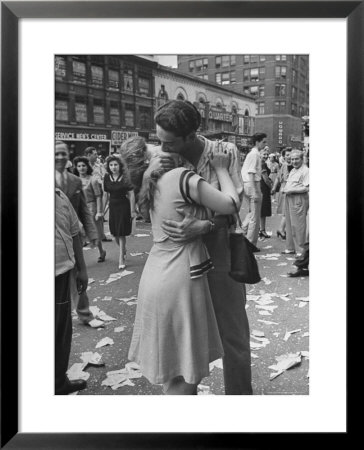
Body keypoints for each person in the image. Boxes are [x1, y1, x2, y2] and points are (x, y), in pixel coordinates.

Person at [135, 100, 252, 395]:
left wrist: (206, 226)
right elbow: (145, 207)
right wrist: (148, 174)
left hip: (219, 254)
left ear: (191, 134)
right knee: (184, 341)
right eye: (159, 140)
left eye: (169, 142)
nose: (163, 147)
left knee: (233, 336)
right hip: (180, 265)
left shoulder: (223, 152)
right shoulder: (159, 156)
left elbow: (234, 206)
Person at [55, 141, 104, 328]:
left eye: (63, 154)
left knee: (79, 276)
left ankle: (85, 315)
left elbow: (83, 210)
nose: (60, 157)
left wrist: (93, 234)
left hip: (72, 237)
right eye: (56, 154)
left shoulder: (74, 181)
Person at [55, 188, 88, 394]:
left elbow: (74, 233)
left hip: (60, 274)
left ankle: (58, 381)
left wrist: (82, 269)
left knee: (60, 330)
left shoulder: (60, 196)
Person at [103, 155, 137, 270]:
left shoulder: (125, 177)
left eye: (115, 165)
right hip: (112, 207)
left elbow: (131, 194)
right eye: (111, 165)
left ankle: (121, 257)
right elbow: (105, 195)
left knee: (121, 233)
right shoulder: (106, 177)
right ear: (108, 166)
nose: (113, 167)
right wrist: (101, 211)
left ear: (120, 166)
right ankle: (123, 250)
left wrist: (132, 210)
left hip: (123, 206)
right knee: (114, 233)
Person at [73, 156, 106, 263]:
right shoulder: (74, 180)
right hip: (78, 209)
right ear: (76, 168)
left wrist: (99, 211)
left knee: (95, 232)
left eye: (83, 165)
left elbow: (98, 196)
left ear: (87, 167)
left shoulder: (93, 179)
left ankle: (101, 252)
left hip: (91, 208)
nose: (81, 168)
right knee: (79, 234)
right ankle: (79, 258)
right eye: (79, 166)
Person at [241, 132, 267, 248]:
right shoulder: (255, 154)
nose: (265, 144)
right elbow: (251, 172)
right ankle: (250, 244)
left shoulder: (253, 154)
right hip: (252, 184)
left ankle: (242, 233)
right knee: (255, 216)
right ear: (257, 142)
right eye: (263, 142)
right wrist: (255, 191)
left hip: (248, 184)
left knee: (252, 213)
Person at [282, 149, 309, 255]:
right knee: (289, 224)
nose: (294, 161)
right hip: (289, 198)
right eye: (292, 159)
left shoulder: (306, 171)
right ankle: (290, 248)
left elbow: (306, 188)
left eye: (296, 159)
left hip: (298, 198)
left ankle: (300, 250)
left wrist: (291, 190)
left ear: (302, 159)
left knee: (298, 225)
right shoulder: (293, 170)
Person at [84, 146, 112, 242]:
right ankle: (85, 238)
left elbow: (104, 176)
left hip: (98, 192)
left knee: (99, 215)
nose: (97, 156)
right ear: (88, 155)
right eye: (95, 154)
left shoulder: (99, 166)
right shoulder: (83, 166)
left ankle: (101, 236)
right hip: (87, 193)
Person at [272, 149, 293, 240]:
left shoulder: (291, 165)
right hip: (285, 190)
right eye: (287, 155)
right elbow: (278, 177)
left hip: (288, 189)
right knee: (286, 211)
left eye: (290, 155)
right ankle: (281, 229)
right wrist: (273, 188)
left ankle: (282, 229)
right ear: (284, 156)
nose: (289, 156)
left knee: (288, 211)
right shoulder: (285, 165)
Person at [259, 147, 272, 239]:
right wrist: (272, 188)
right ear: (260, 154)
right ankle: (261, 230)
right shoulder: (262, 163)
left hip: (261, 186)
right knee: (262, 210)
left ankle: (261, 230)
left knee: (261, 211)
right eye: (264, 154)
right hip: (263, 187)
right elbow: (265, 178)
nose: (266, 156)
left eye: (267, 154)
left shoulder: (260, 162)